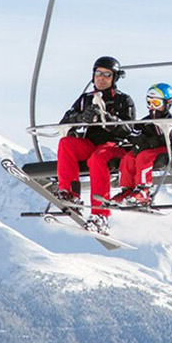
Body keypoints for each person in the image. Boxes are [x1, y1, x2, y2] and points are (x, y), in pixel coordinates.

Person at [55, 56, 135, 234]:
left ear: (114, 78)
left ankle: (101, 214)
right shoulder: (85, 99)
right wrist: (80, 118)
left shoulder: (123, 100)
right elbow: (64, 121)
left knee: (97, 159)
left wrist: (108, 119)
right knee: (66, 143)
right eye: (98, 73)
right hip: (91, 144)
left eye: (107, 75)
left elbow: (129, 129)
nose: (101, 78)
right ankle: (70, 194)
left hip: (114, 145)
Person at [113, 83, 172, 206]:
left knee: (144, 156)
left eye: (156, 103)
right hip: (148, 149)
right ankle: (127, 190)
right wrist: (136, 140)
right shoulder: (146, 121)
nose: (152, 106)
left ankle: (144, 190)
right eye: (149, 102)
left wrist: (151, 141)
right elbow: (134, 133)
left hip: (165, 149)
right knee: (128, 157)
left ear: (168, 103)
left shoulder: (169, 121)